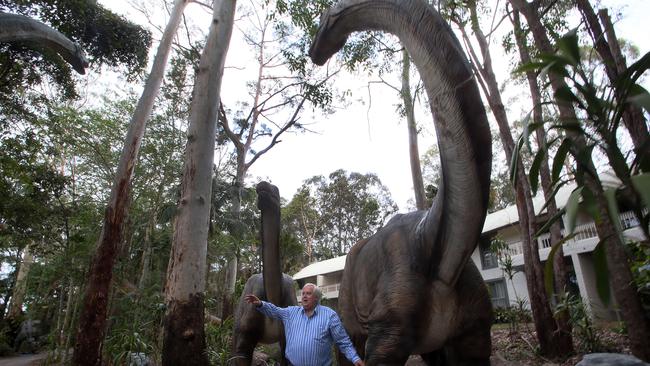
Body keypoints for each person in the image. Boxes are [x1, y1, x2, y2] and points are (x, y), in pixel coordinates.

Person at [244, 283, 365, 366]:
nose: (304, 296)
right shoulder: (291, 313)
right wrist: (260, 304)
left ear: (316, 298)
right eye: (303, 293)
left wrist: (355, 358)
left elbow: (342, 341)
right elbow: (274, 310)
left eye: (308, 293)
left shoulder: (329, 315)